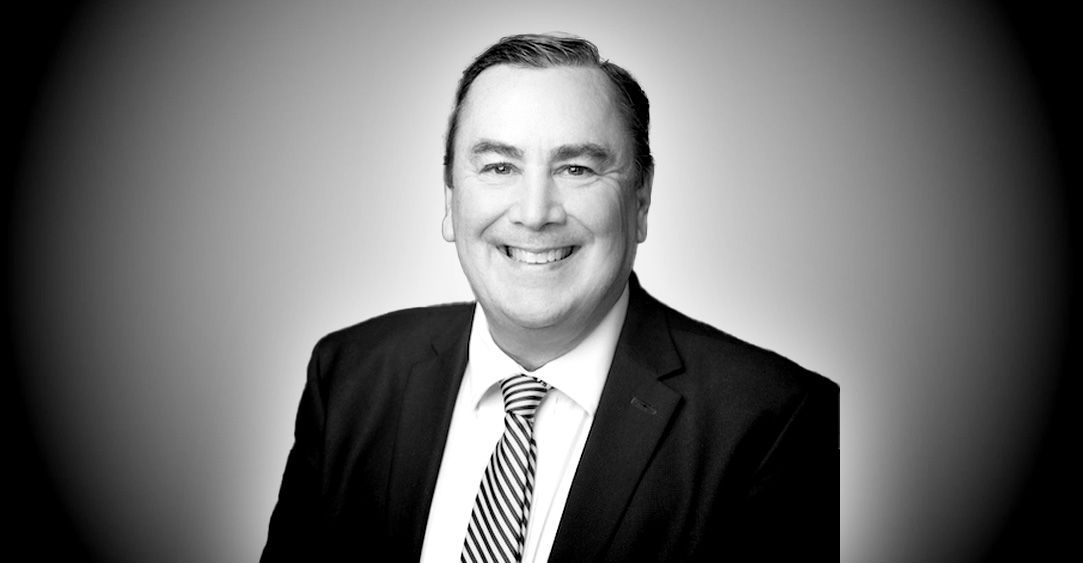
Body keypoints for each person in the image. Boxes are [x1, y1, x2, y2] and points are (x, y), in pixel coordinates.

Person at [262, 33, 839, 562]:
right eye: (498, 166)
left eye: (577, 167)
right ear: (450, 199)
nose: (535, 213)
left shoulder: (773, 421)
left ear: (640, 201)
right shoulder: (351, 375)